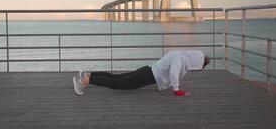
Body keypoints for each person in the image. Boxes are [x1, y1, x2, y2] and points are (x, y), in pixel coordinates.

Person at [73, 50, 210, 96]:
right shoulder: (180, 59)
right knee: (116, 84)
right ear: (196, 62)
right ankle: (85, 82)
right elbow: (174, 72)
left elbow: (174, 71)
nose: (197, 70)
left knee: (116, 78)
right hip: (146, 76)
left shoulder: (182, 55)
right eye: (199, 67)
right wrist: (176, 89)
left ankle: (90, 75)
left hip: (147, 71)